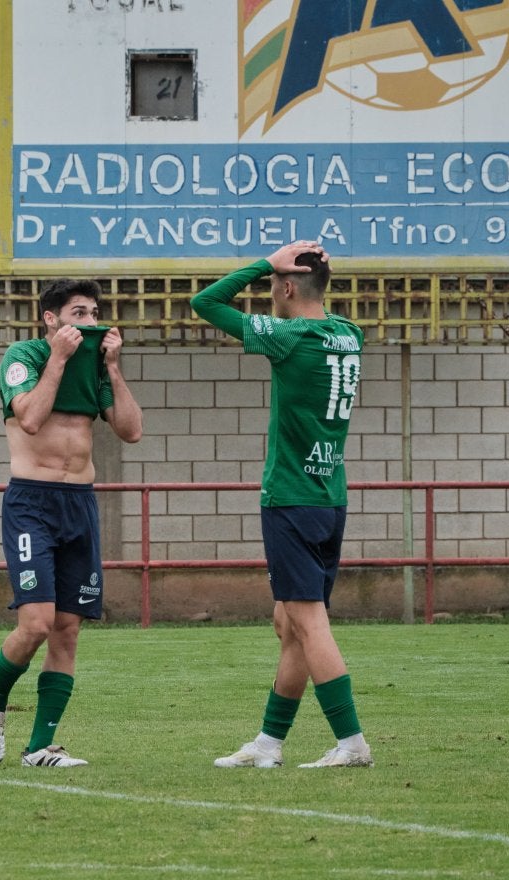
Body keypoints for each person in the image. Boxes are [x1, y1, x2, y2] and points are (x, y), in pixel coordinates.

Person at [190, 241, 372, 769]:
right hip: (329, 496)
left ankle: (352, 743)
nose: (271, 293)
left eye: (274, 285)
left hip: (291, 497)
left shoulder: (289, 336)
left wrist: (265, 262)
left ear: (288, 286)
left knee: (309, 623)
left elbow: (205, 303)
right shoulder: (349, 333)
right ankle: (269, 744)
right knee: (289, 625)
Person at [0, 278, 143, 767]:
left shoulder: (95, 364)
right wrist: (59, 359)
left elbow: (132, 430)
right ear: (51, 318)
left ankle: (39, 747)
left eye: (94, 314)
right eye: (79, 314)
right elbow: (30, 419)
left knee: (67, 629)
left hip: (80, 504)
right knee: (36, 624)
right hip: (32, 503)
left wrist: (113, 368)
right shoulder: (24, 357)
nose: (90, 323)